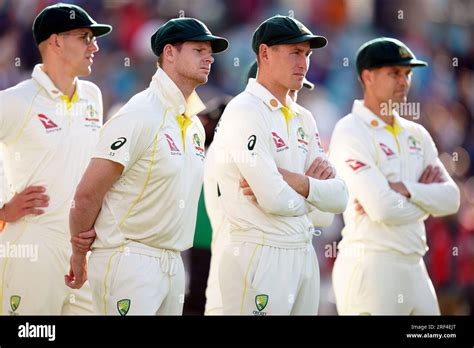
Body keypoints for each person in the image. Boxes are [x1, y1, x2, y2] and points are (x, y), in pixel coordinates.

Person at [65, 17, 228, 316]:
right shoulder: (140, 114)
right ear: (169, 53)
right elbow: (88, 193)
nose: (209, 57)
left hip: (174, 261)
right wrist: (78, 254)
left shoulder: (193, 123)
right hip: (129, 259)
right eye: (199, 50)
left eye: (210, 52)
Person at [213, 15, 348, 315]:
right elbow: (274, 200)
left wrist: (295, 181)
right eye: (294, 53)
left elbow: (337, 202)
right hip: (258, 254)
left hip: (302, 252)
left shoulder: (304, 117)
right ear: (264, 53)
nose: (303, 63)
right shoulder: (244, 110)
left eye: (307, 55)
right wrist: (312, 193)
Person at [329, 37, 461, 315]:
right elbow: (382, 208)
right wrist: (426, 201)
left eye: (407, 74)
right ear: (368, 76)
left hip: (415, 263)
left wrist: (405, 189)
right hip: (372, 264)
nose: (404, 81)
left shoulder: (417, 134)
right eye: (394, 73)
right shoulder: (351, 130)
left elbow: (451, 200)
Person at [0, 2, 111, 314]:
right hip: (33, 244)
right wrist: (3, 206)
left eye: (94, 38)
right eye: (85, 37)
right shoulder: (17, 100)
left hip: (80, 248)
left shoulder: (92, 96)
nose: (95, 47)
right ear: (56, 42)